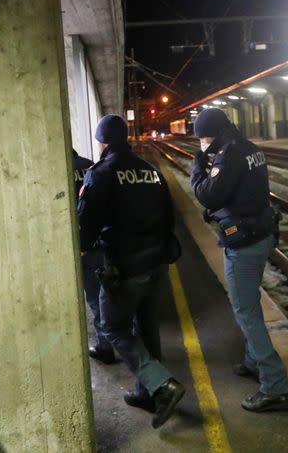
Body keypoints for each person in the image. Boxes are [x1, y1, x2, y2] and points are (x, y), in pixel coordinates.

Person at [77, 114, 185, 429]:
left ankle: (162, 386)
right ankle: (146, 391)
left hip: (125, 267)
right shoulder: (151, 171)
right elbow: (169, 217)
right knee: (147, 326)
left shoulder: (101, 174)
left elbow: (85, 229)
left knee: (113, 327)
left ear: (102, 141)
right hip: (157, 263)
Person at [190, 108, 288, 412]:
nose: (201, 143)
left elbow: (208, 195)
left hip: (245, 243)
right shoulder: (250, 148)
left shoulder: (229, 154)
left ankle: (275, 385)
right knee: (250, 305)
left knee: (245, 311)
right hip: (263, 236)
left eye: (202, 137)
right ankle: (253, 362)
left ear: (212, 134)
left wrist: (198, 169)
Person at [73, 148, 116, 365]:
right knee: (105, 293)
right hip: (101, 240)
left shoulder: (57, 170)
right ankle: (114, 340)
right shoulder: (90, 165)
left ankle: (106, 347)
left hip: (81, 243)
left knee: (94, 297)